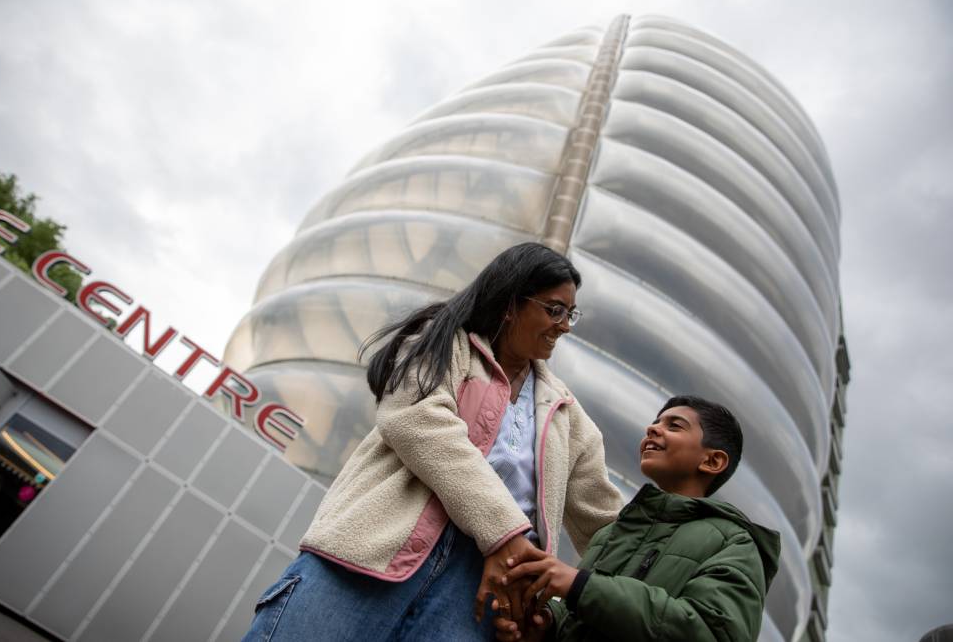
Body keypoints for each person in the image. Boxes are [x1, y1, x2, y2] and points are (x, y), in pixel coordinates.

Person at [243, 242, 623, 641]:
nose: (564, 325)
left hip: (475, 600)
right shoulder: (444, 343)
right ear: (512, 303)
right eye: (554, 309)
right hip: (370, 557)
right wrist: (505, 533)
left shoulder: (567, 414)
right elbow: (418, 421)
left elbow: (605, 524)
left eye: (570, 314)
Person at [493, 395, 781, 642]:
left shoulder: (735, 543)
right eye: (655, 422)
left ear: (712, 461)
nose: (652, 428)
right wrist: (546, 623)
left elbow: (712, 632)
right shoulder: (613, 532)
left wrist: (580, 585)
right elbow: (586, 616)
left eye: (675, 426)